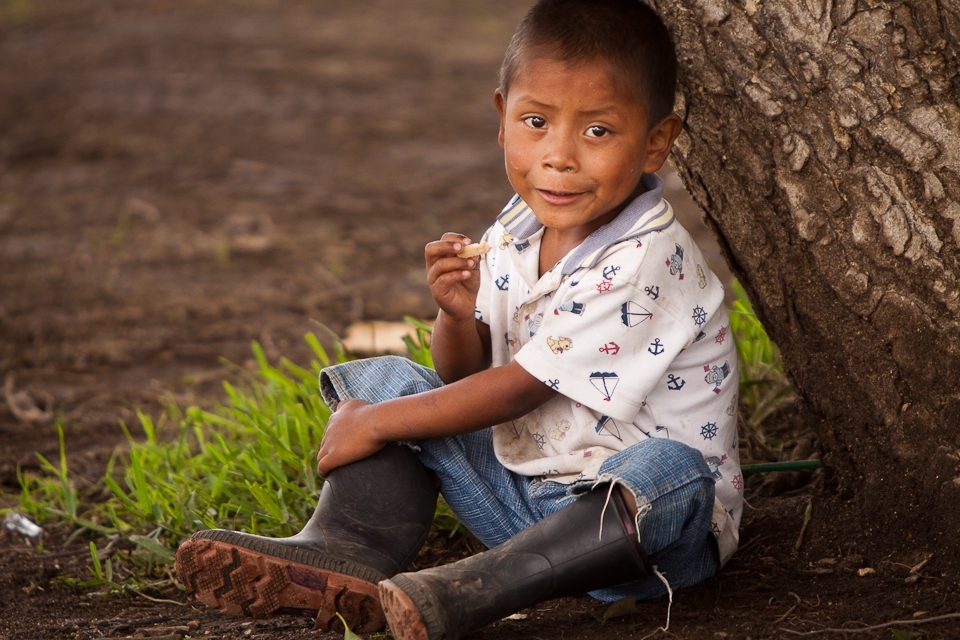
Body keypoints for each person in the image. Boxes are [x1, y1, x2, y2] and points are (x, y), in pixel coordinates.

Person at [175, 1, 741, 639]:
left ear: (656, 143)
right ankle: (344, 550)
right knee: (388, 380)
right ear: (503, 120)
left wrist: (380, 423)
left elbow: (522, 387)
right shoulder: (516, 228)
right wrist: (457, 317)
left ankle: (475, 589)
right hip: (523, 501)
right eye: (536, 122)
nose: (558, 157)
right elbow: (464, 376)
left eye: (598, 132)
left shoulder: (644, 258)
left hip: (647, 544)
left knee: (672, 470)